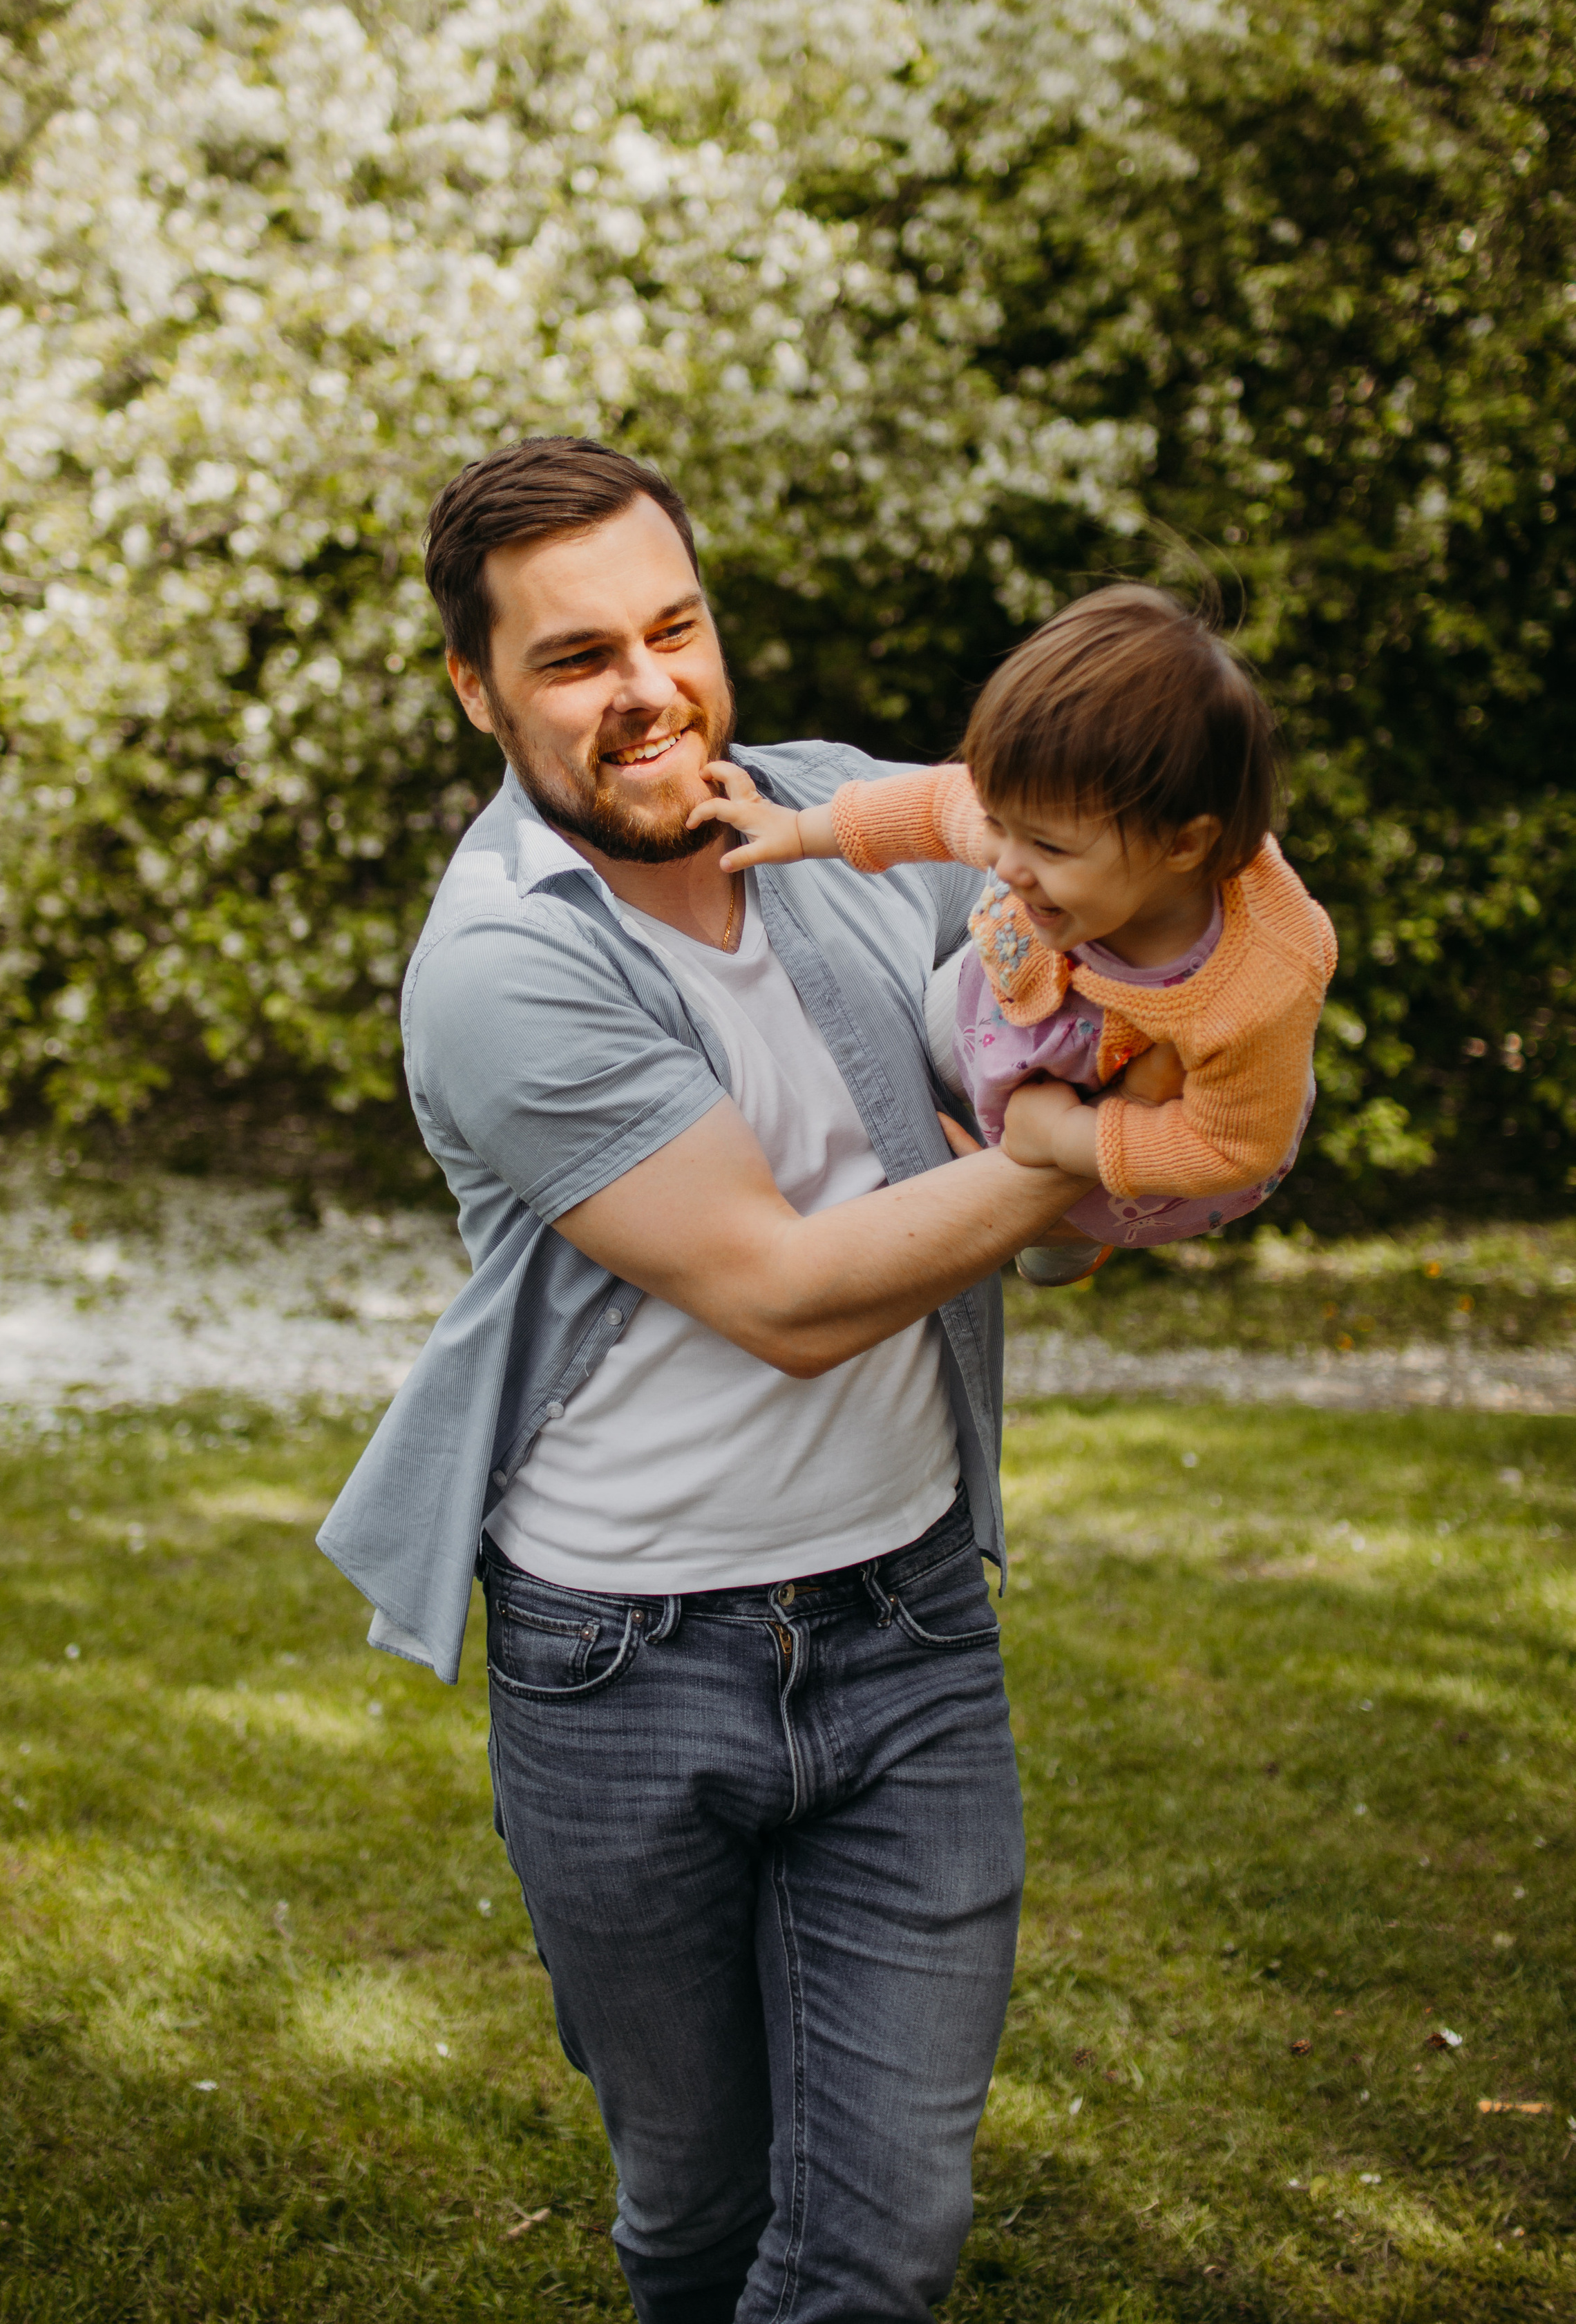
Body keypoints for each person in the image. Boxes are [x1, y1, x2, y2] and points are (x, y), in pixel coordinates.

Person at [318, 436, 1117, 2324]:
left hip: (909, 1625)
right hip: (620, 1668)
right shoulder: (504, 965)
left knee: (875, 2244)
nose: (650, 689)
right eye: (577, 656)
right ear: (477, 690)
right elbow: (788, 1293)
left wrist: (1119, 1080)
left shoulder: (856, 820)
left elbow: (1103, 935)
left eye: (673, 628)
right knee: (695, 2215)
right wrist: (1084, 1150)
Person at [692, 583, 1338, 1286]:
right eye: (999, 824)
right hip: (1011, 1006)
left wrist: (1069, 1141)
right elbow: (938, 806)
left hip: (1141, 1135)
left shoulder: (1256, 987)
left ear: (1183, 846)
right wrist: (798, 831)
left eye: (1046, 849)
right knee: (910, 1044)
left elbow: (1229, 1147)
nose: (1003, 863)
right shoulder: (1046, 816)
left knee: (1085, 1203)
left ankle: (1063, 1234)